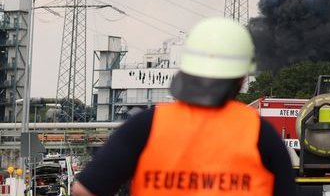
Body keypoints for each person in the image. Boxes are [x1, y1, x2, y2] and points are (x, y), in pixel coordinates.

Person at [71, 17, 296, 196]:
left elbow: (84, 190)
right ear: (241, 78)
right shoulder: (261, 135)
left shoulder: (145, 127)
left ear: (186, 69)